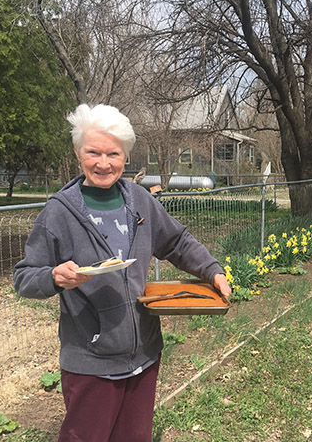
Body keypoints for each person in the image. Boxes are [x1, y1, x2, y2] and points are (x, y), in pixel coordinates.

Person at [13, 104, 231, 442]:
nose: (103, 163)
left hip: (144, 353)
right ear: (77, 152)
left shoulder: (140, 201)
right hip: (91, 361)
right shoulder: (59, 212)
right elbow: (24, 277)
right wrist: (55, 276)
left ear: (125, 156)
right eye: (93, 152)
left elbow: (177, 241)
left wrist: (212, 271)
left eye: (113, 153)